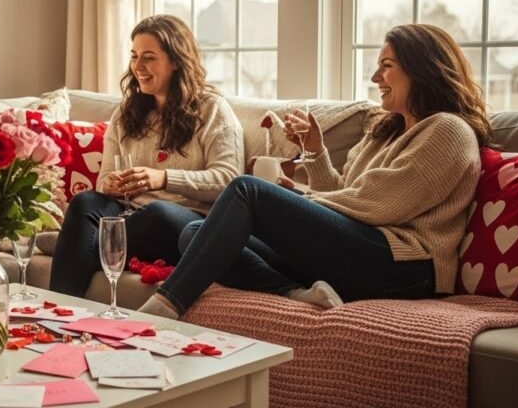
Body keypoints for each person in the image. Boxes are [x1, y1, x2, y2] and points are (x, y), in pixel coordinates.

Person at [138, 23, 491, 320]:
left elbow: (377, 205)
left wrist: (295, 201)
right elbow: (346, 192)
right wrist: (315, 153)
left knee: (248, 190)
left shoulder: (448, 130)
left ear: (422, 69)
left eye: (386, 66)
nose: (375, 78)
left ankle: (164, 308)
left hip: (405, 267)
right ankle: (297, 294)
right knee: (195, 233)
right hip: (361, 250)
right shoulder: (386, 130)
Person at [49, 15, 244, 298]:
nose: (138, 67)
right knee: (85, 202)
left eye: (149, 58)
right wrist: (109, 184)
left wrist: (163, 178)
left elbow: (229, 181)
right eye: (134, 56)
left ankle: (75, 246)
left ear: (176, 61)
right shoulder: (126, 113)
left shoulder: (212, 109)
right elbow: (104, 178)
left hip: (186, 221)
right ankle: (59, 307)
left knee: (158, 214)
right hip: (130, 214)